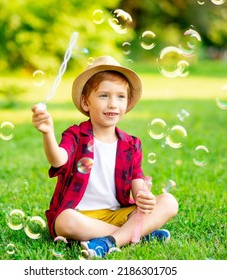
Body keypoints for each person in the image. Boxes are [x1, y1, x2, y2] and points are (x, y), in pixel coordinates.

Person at [32, 56, 178, 259]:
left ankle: (111, 241)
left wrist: (145, 199)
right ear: (85, 102)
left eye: (120, 97)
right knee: (64, 221)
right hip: (80, 215)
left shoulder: (131, 144)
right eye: (103, 96)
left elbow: (137, 184)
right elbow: (58, 160)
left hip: (117, 214)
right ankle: (136, 234)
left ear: (127, 104)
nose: (112, 104)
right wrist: (47, 132)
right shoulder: (75, 135)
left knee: (169, 202)